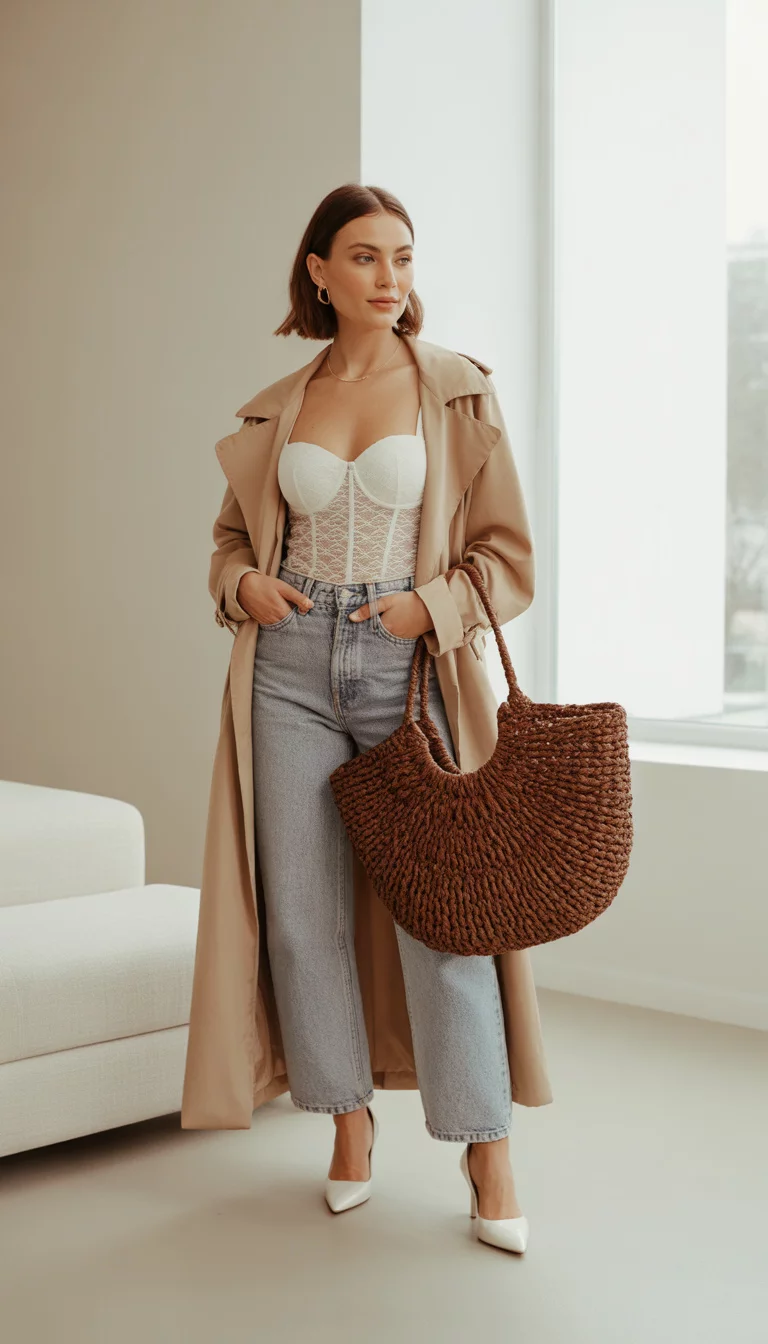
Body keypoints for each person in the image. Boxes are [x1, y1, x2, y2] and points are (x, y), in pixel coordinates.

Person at [190, 183, 545, 1255]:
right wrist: (243, 587)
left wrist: (426, 607)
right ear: (319, 272)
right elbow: (227, 545)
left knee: (443, 914)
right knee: (301, 920)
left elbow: (508, 561)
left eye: (402, 257)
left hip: (408, 673)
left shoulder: (455, 393)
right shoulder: (280, 405)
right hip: (288, 669)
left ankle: (486, 1150)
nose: (390, 278)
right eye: (365, 257)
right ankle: (348, 1129)